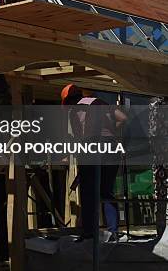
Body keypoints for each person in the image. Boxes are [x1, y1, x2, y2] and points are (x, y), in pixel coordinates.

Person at [61, 84, 127, 242]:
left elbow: (80, 137)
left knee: (88, 193)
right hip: (111, 148)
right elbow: (123, 119)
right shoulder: (99, 102)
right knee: (106, 192)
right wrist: (111, 132)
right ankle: (113, 232)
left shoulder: (74, 111)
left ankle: (90, 232)